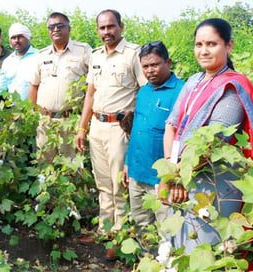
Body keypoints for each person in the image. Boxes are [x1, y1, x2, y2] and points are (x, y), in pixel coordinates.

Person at [159, 18, 253, 253]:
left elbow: (212, 143)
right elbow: (171, 125)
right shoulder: (194, 81)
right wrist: (171, 174)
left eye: (211, 44)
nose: (203, 51)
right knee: (181, 246)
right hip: (181, 175)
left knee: (207, 248)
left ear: (228, 46)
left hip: (214, 180)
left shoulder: (231, 87)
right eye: (199, 44)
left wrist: (179, 177)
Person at [75, 9, 147, 249]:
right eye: (102, 28)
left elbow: (145, 91)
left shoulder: (133, 54)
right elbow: (90, 94)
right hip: (97, 125)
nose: (106, 32)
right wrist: (81, 128)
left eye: (111, 26)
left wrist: (136, 126)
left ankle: (121, 236)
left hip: (120, 128)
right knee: (103, 182)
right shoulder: (95, 56)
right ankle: (105, 230)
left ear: (121, 27)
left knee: (120, 183)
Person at [122, 41, 183, 234]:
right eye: (145, 66)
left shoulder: (182, 92)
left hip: (162, 179)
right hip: (137, 173)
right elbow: (136, 131)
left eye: (155, 64)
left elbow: (180, 138)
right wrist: (127, 163)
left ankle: (167, 265)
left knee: (167, 233)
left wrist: (173, 177)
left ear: (168, 62)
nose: (150, 70)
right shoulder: (144, 91)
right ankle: (144, 262)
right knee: (142, 228)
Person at [29, 12, 91, 160]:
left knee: (71, 167)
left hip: (71, 121)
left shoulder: (83, 51)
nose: (55, 30)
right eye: (51, 27)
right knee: (44, 164)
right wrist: (33, 114)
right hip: (45, 122)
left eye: (60, 26)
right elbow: (34, 86)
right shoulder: (42, 55)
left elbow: (93, 85)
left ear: (69, 28)